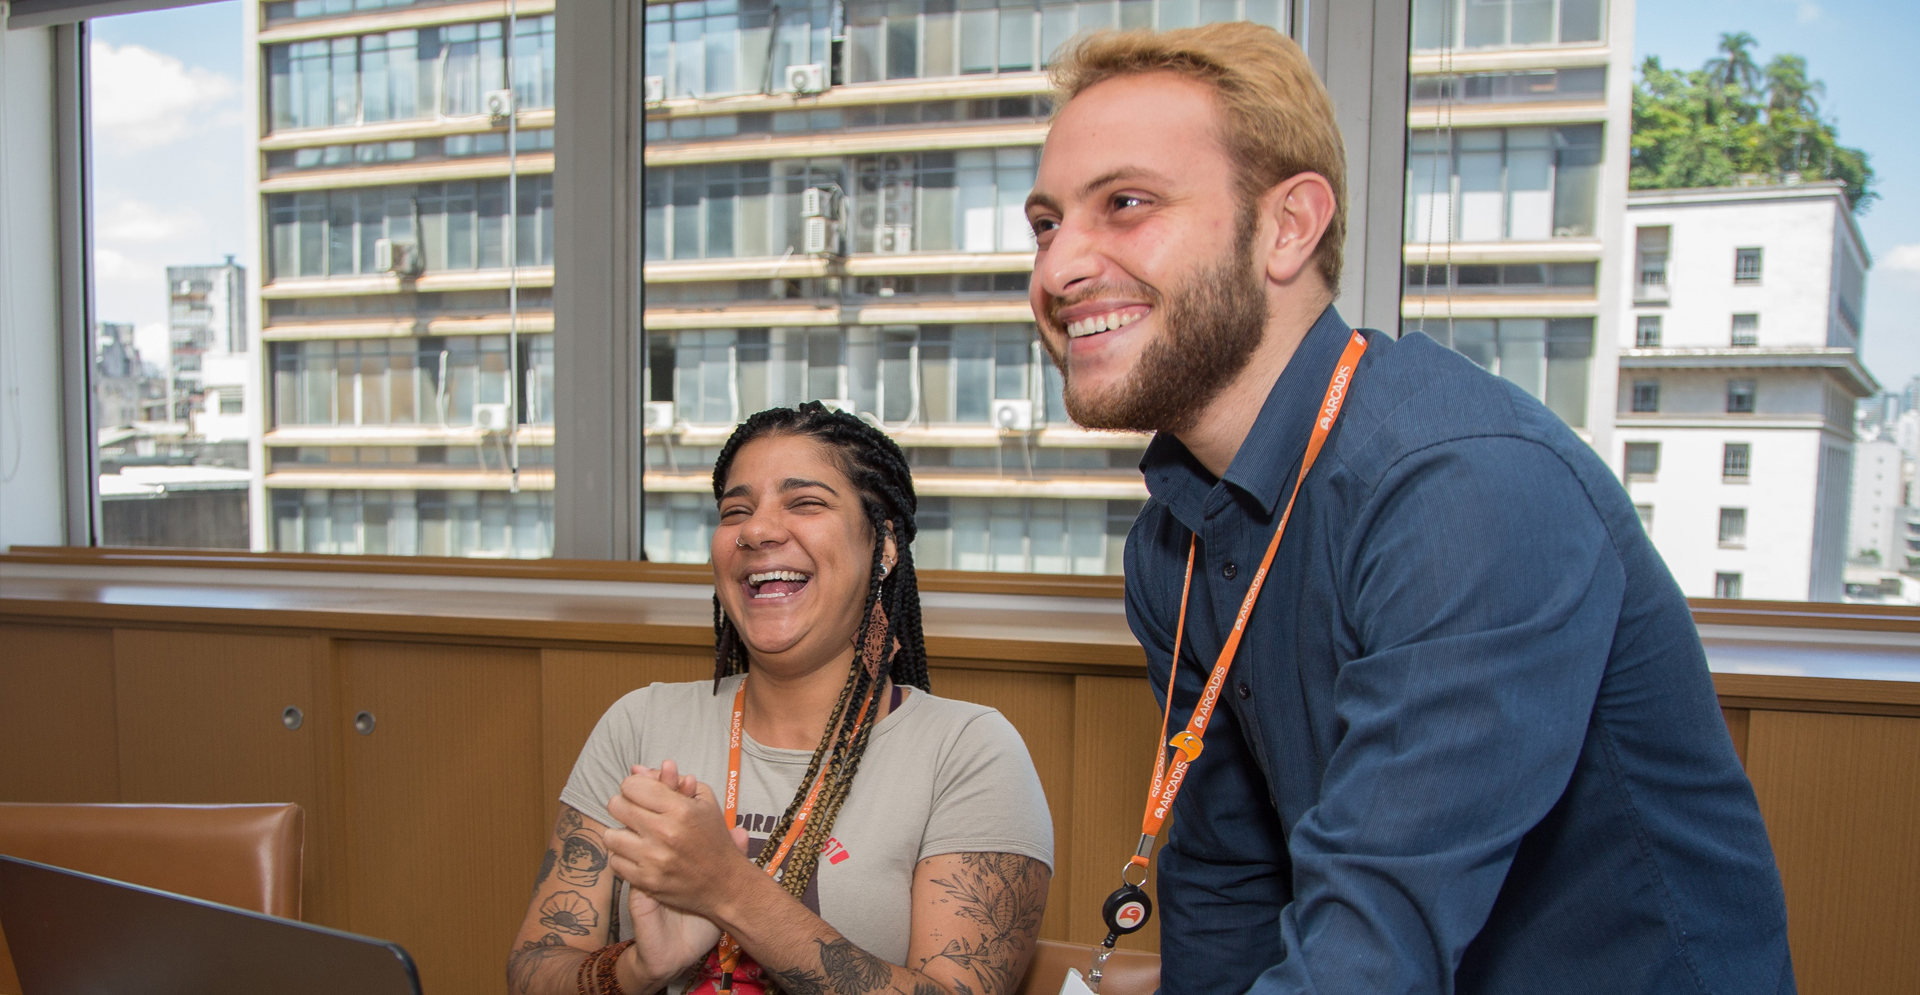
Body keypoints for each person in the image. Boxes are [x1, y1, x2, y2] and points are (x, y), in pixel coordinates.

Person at [1023, 23, 1795, 995]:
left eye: (1125, 205)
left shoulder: (1464, 485)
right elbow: (1230, 878)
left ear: (1290, 225)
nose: (1057, 270)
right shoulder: (1174, 537)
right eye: (1045, 224)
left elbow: (1371, 946)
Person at [506, 402, 1054, 995]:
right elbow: (534, 967)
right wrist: (640, 969)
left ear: (884, 546)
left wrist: (730, 889)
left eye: (805, 502)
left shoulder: (968, 751)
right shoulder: (640, 724)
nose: (756, 530)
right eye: (735, 511)